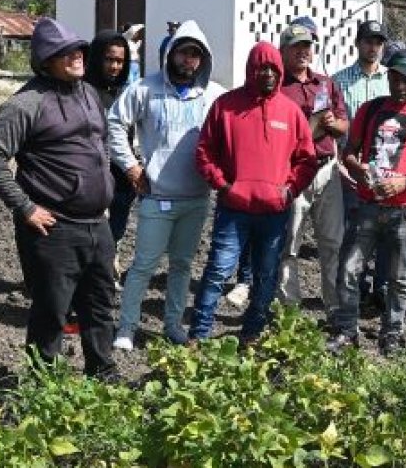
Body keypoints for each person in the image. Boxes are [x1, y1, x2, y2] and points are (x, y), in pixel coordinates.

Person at [0, 18, 119, 381]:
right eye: (64, 52)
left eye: (78, 49)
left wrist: (102, 188)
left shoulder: (88, 93)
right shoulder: (26, 103)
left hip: (96, 223)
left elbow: (101, 141)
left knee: (100, 306)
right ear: (45, 60)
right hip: (54, 227)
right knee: (52, 312)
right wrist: (25, 207)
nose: (76, 57)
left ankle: (102, 371)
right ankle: (43, 382)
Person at [190, 42, 318, 344]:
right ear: (251, 69)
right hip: (234, 209)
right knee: (218, 270)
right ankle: (199, 334)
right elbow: (204, 152)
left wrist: (289, 191)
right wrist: (223, 185)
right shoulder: (226, 106)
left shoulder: (290, 111)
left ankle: (252, 332)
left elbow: (307, 159)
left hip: (274, 211)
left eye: (274, 69)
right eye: (263, 68)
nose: (269, 74)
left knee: (266, 275)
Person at [109, 21, 226, 349]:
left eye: (196, 55)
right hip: (156, 196)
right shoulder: (146, 90)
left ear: (203, 60)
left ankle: (173, 325)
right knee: (144, 264)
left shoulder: (214, 96)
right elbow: (115, 124)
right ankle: (126, 327)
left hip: (196, 198)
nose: (189, 60)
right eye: (184, 52)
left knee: (182, 265)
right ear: (170, 53)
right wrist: (131, 166)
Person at [329, 48, 406, 355]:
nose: (399, 86)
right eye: (394, 78)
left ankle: (392, 332)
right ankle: (347, 330)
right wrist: (361, 171)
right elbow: (350, 153)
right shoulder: (370, 110)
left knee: (400, 276)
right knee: (350, 269)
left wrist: (405, 181)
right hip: (367, 203)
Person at [272, 21, 349, 320]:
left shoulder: (326, 83)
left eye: (307, 46)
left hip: (327, 171)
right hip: (292, 172)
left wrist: (333, 124)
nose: (303, 52)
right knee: (289, 244)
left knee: (333, 243)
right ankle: (289, 312)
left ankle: (335, 309)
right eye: (297, 47)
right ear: (284, 51)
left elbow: (345, 125)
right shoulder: (277, 87)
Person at [331, 19, 391, 304]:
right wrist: (340, 165)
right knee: (354, 233)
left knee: (385, 233)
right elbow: (331, 129)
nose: (373, 47)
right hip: (351, 168)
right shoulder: (338, 81)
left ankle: (380, 289)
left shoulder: (393, 80)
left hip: (385, 169)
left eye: (378, 42)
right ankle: (355, 289)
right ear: (358, 43)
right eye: (368, 41)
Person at [84, 30, 135, 244]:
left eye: (120, 61)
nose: (115, 67)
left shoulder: (126, 94)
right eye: (109, 59)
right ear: (96, 58)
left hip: (121, 175)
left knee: (115, 232)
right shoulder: (80, 92)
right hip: (89, 174)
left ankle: (108, 268)